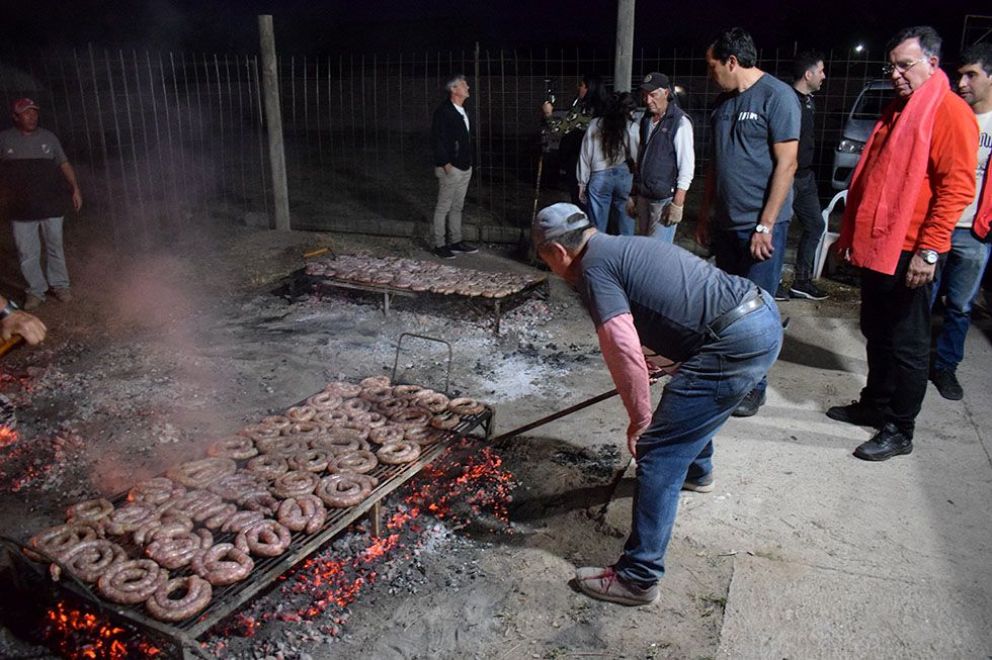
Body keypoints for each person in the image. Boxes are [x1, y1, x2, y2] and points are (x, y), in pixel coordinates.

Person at [532, 202, 782, 606]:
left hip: (734, 341)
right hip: (758, 315)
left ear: (557, 253)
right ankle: (698, 472)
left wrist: (639, 418)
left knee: (658, 451)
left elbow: (622, 347)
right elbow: (667, 313)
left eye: (544, 258)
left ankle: (638, 578)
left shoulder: (594, 271)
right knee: (688, 406)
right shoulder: (621, 246)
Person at [829, 26, 978, 461]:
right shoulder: (899, 109)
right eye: (891, 66)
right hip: (882, 248)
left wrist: (929, 250)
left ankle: (900, 428)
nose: (895, 73)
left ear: (932, 63)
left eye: (904, 65)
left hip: (914, 251)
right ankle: (875, 405)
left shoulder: (948, 111)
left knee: (909, 345)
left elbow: (957, 188)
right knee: (877, 332)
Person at [696, 27, 800, 417]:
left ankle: (755, 386)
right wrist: (705, 213)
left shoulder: (778, 97)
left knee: (758, 312)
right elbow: (715, 165)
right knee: (728, 310)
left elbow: (787, 164)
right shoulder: (721, 104)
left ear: (732, 62)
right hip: (725, 225)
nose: (710, 74)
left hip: (759, 229)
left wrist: (765, 225)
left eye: (712, 66)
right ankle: (730, 376)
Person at [927, 42, 992, 401]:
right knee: (923, 299)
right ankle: (916, 362)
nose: (962, 82)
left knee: (960, 305)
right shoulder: (950, 114)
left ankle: (946, 367)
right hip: (939, 226)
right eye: (959, 75)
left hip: (975, 232)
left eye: (972, 75)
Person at [0, 98, 82, 311]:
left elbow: (63, 163)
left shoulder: (48, 137)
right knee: (27, 252)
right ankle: (36, 290)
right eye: (26, 113)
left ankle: (60, 286)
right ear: (16, 117)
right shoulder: (5, 139)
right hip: (21, 208)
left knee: (55, 247)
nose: (32, 116)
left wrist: (75, 187)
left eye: (34, 112)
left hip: (51, 204)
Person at [778, 52, 829, 301]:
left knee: (816, 225)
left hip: (806, 177)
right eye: (821, 70)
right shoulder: (787, 101)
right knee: (779, 229)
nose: (824, 76)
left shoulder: (809, 101)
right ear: (808, 74)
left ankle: (802, 281)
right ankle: (772, 280)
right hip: (788, 176)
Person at [631, 72, 695, 243]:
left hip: (664, 199)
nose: (647, 100)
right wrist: (634, 193)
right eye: (645, 95)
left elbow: (686, 167)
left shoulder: (680, 122)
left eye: (652, 95)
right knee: (646, 248)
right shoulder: (646, 120)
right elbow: (641, 156)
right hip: (644, 195)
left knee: (658, 254)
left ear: (666, 93)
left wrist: (677, 204)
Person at [577, 92, 639, 235]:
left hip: (599, 175)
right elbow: (637, 157)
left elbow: (585, 155)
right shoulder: (631, 127)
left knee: (597, 227)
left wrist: (582, 182)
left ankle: (598, 254)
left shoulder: (595, 124)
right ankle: (626, 254)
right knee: (626, 223)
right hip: (624, 176)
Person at [430, 75, 478, 260]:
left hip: (464, 166)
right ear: (454, 89)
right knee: (444, 206)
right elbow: (437, 139)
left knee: (457, 206)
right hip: (451, 167)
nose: (467, 87)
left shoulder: (463, 110)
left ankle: (456, 241)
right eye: (463, 85)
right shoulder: (443, 112)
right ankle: (439, 244)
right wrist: (445, 163)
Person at [542, 75, 608, 207]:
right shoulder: (605, 108)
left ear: (589, 88)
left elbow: (558, 129)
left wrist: (548, 114)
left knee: (579, 198)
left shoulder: (583, 110)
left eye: (582, 85)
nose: (579, 88)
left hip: (578, 159)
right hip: (600, 163)